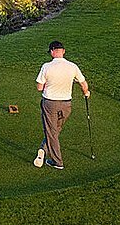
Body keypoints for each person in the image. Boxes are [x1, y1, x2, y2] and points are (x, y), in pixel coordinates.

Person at [34, 40, 89, 169]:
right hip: (66, 104)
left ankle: (57, 162)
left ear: (52, 52)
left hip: (50, 103)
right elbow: (83, 83)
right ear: (63, 51)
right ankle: (43, 148)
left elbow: (39, 87)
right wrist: (86, 93)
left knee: (52, 132)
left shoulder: (46, 66)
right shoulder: (72, 66)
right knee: (56, 130)